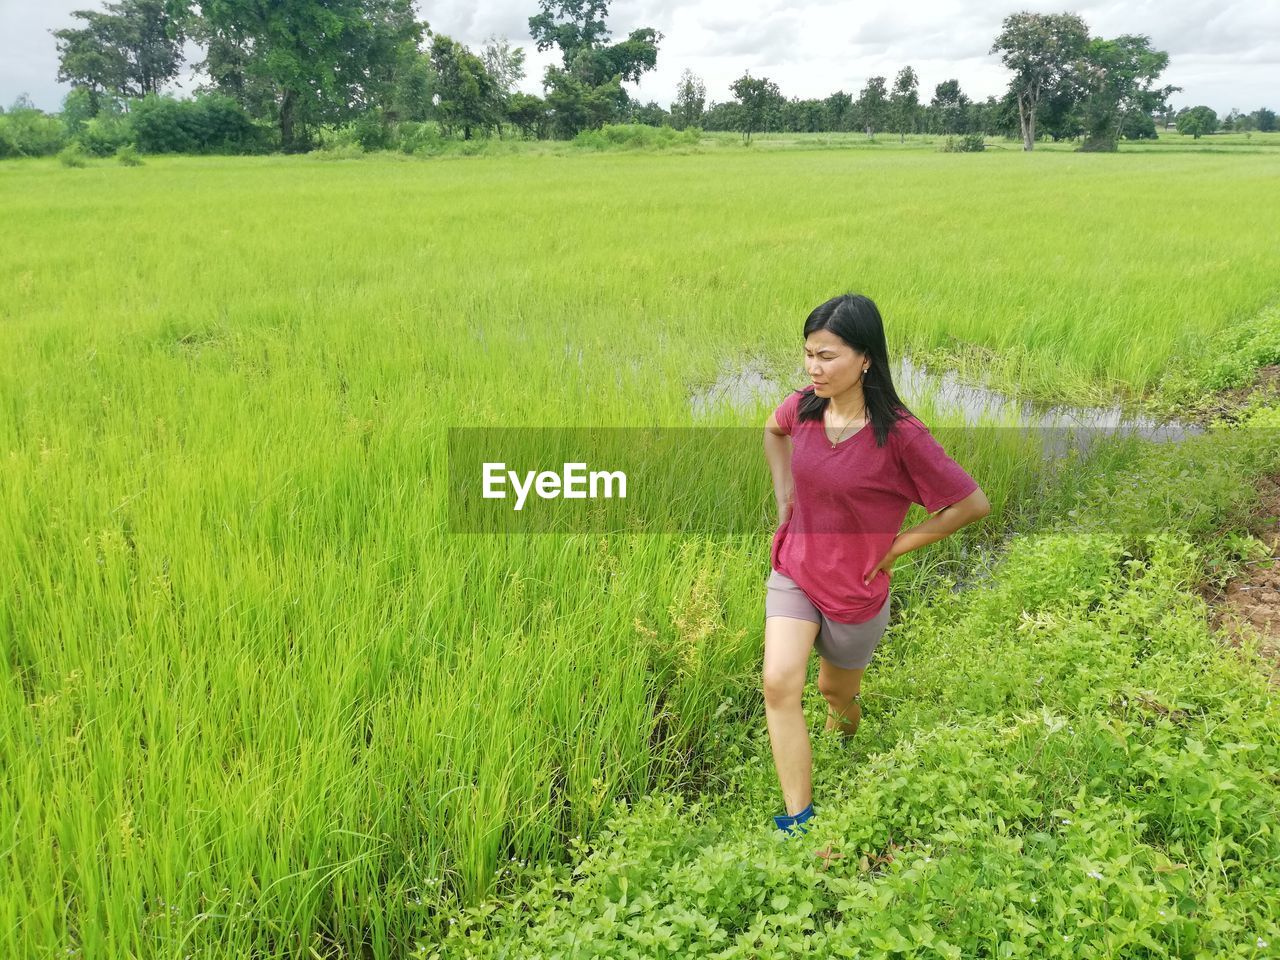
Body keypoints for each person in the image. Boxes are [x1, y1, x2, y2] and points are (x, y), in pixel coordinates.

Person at [761, 293, 990, 836]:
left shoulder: (901, 436)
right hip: (795, 569)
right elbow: (772, 430)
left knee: (836, 694)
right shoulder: (804, 407)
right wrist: (784, 493)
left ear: (866, 359)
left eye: (827, 356)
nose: (813, 367)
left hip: (855, 592)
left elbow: (971, 504)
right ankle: (800, 820)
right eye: (809, 354)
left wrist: (895, 548)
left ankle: (845, 741)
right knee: (778, 683)